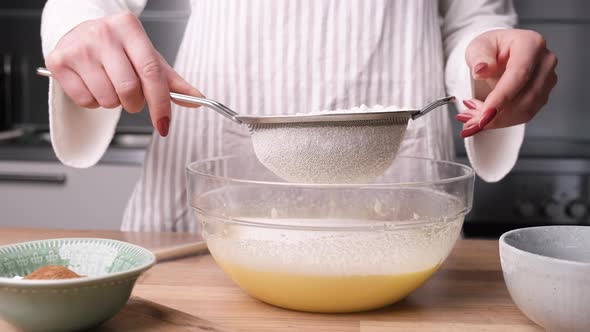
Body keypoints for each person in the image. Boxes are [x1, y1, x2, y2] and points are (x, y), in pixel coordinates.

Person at [40, 0, 557, 232]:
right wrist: (78, 24)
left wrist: (490, 62)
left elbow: (474, 17)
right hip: (201, 202)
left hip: (399, 208)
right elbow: (89, 3)